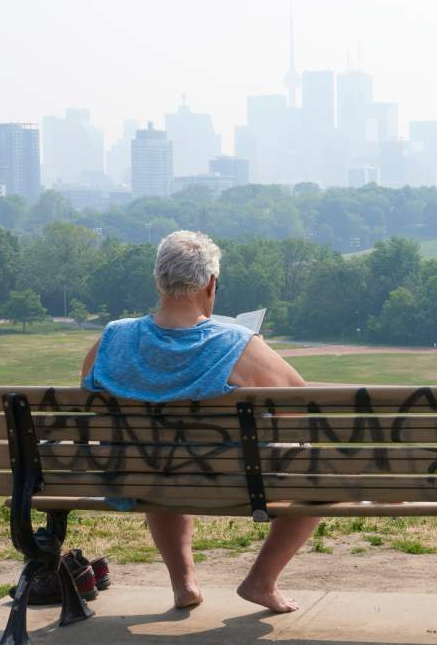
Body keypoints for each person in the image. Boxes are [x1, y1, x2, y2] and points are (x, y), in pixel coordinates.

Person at [80, 230, 319, 614]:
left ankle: (184, 583)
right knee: (320, 476)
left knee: (159, 456)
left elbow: (89, 400)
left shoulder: (112, 338)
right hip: (231, 482)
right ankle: (261, 581)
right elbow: (301, 405)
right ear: (210, 284)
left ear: (159, 282)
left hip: (137, 478)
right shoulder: (236, 342)